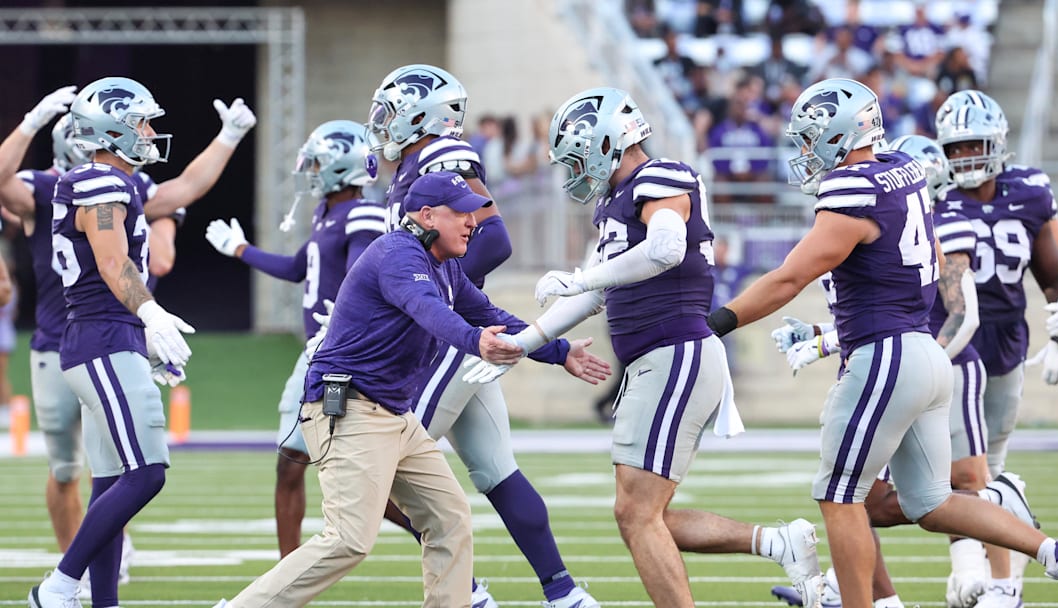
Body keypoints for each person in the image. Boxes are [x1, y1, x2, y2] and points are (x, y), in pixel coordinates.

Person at [705, 77, 1058, 608]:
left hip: (883, 357)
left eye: (812, 138)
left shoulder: (852, 188)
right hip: (924, 354)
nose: (805, 150)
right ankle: (1057, 553)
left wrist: (714, 322)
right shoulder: (903, 174)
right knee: (930, 501)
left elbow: (790, 279)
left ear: (839, 134)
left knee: (839, 496)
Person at [211, 170, 609, 608]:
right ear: (426, 215)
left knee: (450, 520)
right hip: (350, 408)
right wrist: (477, 342)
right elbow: (429, 311)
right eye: (461, 213)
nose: (472, 222)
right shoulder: (398, 254)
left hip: (393, 415)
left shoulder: (445, 266)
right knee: (349, 540)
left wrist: (558, 350)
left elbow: (490, 313)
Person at [513, 85, 825, 608]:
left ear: (606, 141)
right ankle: (777, 542)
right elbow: (596, 291)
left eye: (576, 156)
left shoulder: (660, 176)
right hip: (657, 359)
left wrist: (579, 279)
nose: (572, 170)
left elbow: (664, 249)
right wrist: (525, 342)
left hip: (673, 351)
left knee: (636, 514)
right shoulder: (615, 202)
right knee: (642, 514)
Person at [0, 84, 254, 597]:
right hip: (99, 337)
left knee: (112, 480)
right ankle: (59, 584)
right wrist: (152, 312)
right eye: (140, 123)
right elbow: (114, 264)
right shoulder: (96, 182)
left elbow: (183, 190)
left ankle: (103, 598)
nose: (149, 133)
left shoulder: (117, 183)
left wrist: (228, 139)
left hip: (108, 335)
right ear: (111, 129)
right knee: (146, 473)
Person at [366, 63, 601, 608]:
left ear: (421, 113)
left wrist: (432, 296)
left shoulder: (442, 159)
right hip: (462, 337)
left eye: (390, 109)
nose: (381, 121)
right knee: (497, 471)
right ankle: (563, 594)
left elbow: (494, 240)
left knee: (376, 468)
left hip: (449, 342)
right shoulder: (414, 167)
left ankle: (465, 592)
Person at [765, 134, 1032, 608]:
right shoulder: (863, 218)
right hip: (891, 363)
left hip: (913, 366)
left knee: (956, 481)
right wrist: (824, 337)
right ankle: (877, 595)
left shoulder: (935, 220)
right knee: (874, 499)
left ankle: (998, 582)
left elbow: (952, 314)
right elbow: (878, 308)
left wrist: (914, 365)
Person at [204, 119, 386, 558]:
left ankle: (430, 529)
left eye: (320, 161)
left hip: (338, 356)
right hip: (316, 355)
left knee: (339, 470)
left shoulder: (364, 213)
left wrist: (344, 322)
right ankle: (287, 577)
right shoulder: (325, 213)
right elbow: (297, 268)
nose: (312, 169)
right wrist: (240, 249)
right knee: (291, 461)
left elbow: (364, 277)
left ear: (341, 167)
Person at [936, 89, 1058, 606]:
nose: (964, 157)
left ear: (997, 142)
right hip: (957, 337)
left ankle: (1004, 581)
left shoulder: (1030, 191)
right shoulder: (938, 197)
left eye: (973, 144)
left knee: (988, 466)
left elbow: (1057, 271)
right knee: (965, 467)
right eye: (954, 148)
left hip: (1008, 335)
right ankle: (976, 565)